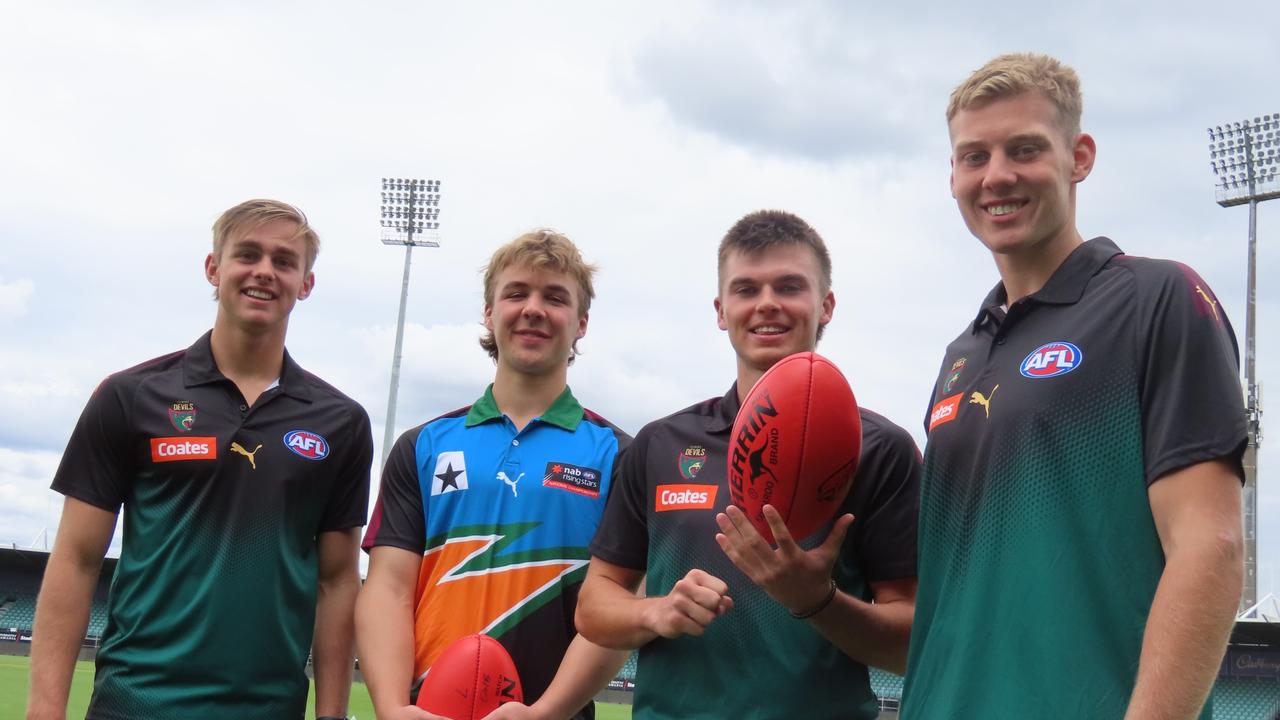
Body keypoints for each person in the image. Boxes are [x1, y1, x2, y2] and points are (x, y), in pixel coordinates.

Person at [901, 53, 1246, 720]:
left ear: (1079, 157)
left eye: (1024, 149)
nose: (996, 175)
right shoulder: (959, 356)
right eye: (974, 157)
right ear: (952, 176)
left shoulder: (1157, 298)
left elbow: (1211, 547)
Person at [27, 199, 373, 720]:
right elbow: (76, 561)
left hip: (268, 709)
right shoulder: (130, 396)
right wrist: (45, 708)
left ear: (306, 283)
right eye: (247, 254)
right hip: (135, 703)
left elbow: (338, 580)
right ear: (214, 267)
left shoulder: (341, 421)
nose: (264, 271)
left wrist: (331, 713)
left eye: (284, 261)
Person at [576, 210, 921, 720]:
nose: (766, 304)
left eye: (789, 286)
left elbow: (911, 642)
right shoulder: (661, 444)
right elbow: (593, 608)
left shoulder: (880, 449)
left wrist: (817, 600)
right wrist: (659, 610)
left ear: (825, 305)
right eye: (746, 289)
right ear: (721, 309)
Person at [357, 230, 630, 720]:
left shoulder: (617, 454)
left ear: (581, 322)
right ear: (489, 311)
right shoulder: (423, 445)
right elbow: (388, 590)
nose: (533, 309)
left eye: (555, 297)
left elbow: (620, 607)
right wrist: (394, 709)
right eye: (516, 293)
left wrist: (546, 712)